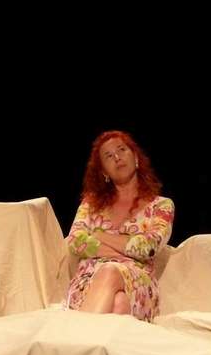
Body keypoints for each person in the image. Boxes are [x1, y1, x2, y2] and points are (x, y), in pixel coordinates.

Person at [66, 130, 174, 322]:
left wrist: (99, 236)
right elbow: (75, 241)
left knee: (110, 271)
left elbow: (148, 248)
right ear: (104, 172)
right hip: (89, 280)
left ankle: (75, 335)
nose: (117, 157)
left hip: (139, 284)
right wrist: (126, 251)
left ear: (136, 158)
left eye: (121, 150)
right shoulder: (90, 204)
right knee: (119, 304)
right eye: (108, 156)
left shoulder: (161, 206)